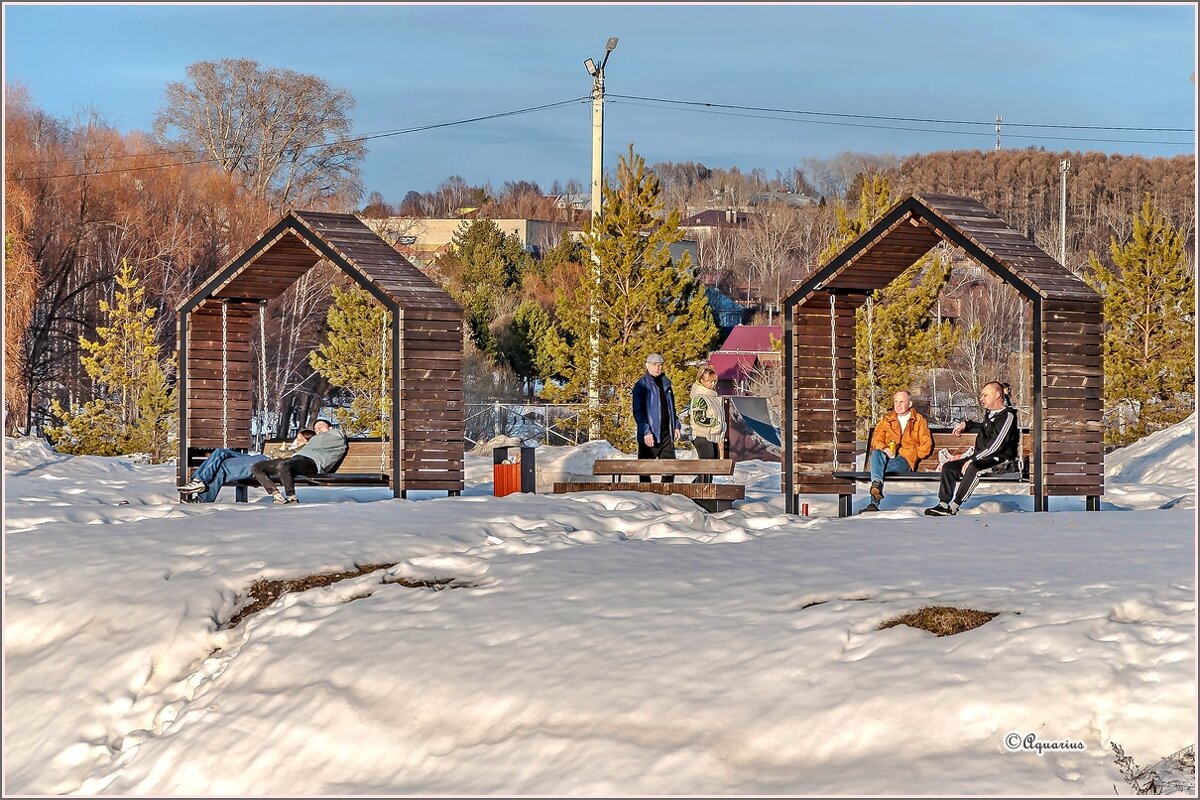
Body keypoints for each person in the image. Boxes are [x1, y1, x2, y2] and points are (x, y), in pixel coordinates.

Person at [925, 381, 1020, 516]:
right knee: (949, 467)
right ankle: (943, 504)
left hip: (1000, 460)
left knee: (973, 467)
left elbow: (997, 444)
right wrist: (967, 425)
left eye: (985, 395)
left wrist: (973, 459)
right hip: (982, 457)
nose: (981, 399)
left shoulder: (1008, 416)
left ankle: (954, 506)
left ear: (998, 395)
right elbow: (985, 428)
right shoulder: (990, 414)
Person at [178, 430, 314, 503]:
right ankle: (199, 481)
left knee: (224, 466)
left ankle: (202, 495)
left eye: (300, 438)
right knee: (220, 452)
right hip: (261, 458)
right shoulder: (296, 447)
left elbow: (284, 459)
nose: (296, 440)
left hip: (264, 463)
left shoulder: (303, 451)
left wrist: (285, 449)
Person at [863, 390, 933, 512]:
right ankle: (876, 486)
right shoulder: (887, 419)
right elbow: (876, 440)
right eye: (896, 401)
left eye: (901, 401)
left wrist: (914, 454)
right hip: (886, 456)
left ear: (910, 403)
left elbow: (926, 445)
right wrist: (885, 449)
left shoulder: (918, 420)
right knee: (877, 453)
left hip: (904, 459)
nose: (898, 405)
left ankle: (874, 503)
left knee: (879, 470)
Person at [251, 418, 348, 504]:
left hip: (313, 462)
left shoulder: (336, 434)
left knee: (284, 465)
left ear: (330, 428)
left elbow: (324, 440)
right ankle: (276, 495)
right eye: (316, 428)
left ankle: (292, 497)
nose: (318, 429)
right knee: (257, 466)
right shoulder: (314, 440)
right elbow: (295, 451)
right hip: (296, 460)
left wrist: (311, 439)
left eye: (321, 426)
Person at [632, 353, 680, 483]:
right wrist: (646, 431)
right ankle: (646, 500)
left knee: (670, 469)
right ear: (647, 366)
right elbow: (638, 412)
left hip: (666, 435)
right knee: (645, 472)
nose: (658, 368)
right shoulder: (641, 385)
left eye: (660, 365)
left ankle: (666, 497)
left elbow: (671, 409)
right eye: (654, 365)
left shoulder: (666, 384)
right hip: (650, 435)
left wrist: (676, 426)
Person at [688, 366, 727, 483]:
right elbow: (699, 418)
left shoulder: (712, 397)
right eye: (710, 381)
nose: (713, 384)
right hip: (702, 437)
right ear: (702, 380)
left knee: (710, 470)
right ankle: (697, 494)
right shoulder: (699, 398)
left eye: (715, 381)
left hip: (712, 437)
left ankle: (703, 492)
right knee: (705, 469)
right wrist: (716, 424)